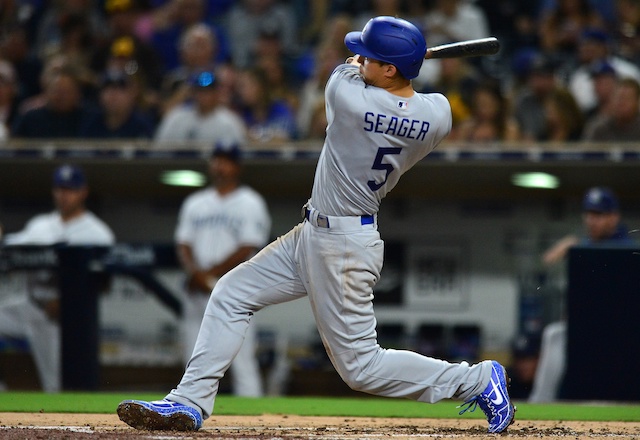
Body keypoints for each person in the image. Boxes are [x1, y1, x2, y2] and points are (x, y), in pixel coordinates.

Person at [116, 16, 515, 434]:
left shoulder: (348, 96)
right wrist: (382, 64)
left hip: (341, 245)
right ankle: (189, 402)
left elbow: (346, 70)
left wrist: (361, 64)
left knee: (361, 367)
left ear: (390, 68)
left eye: (372, 56)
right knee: (231, 293)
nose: (360, 58)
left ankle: (477, 380)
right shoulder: (438, 117)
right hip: (317, 233)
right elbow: (420, 97)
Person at [0, 164, 115, 392]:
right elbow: (11, 248)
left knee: (56, 386)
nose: (64, 195)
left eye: (70, 189)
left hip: (63, 320)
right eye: (60, 189)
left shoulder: (98, 233)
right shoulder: (40, 225)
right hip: (30, 307)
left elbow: (104, 283)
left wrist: (68, 302)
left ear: (83, 192)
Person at [175, 143, 270, 397]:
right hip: (197, 290)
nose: (220, 166)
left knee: (242, 359)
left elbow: (249, 246)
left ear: (237, 167)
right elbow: (183, 243)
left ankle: (255, 419)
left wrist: (211, 275)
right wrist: (196, 273)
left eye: (226, 161)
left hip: (235, 289)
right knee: (192, 356)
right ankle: (188, 404)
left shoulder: (250, 202)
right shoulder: (195, 202)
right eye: (216, 160)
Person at [530, 186, 636, 402]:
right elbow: (547, 260)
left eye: (599, 215)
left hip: (625, 328)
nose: (591, 220)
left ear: (613, 217)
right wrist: (570, 246)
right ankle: (539, 402)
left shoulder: (628, 247)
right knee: (555, 334)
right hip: (589, 327)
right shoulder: (583, 246)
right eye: (589, 214)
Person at [154, 70, 247, 145]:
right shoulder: (176, 117)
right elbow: (159, 149)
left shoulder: (229, 121)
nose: (204, 96)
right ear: (193, 93)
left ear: (216, 93)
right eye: (200, 91)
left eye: (208, 91)